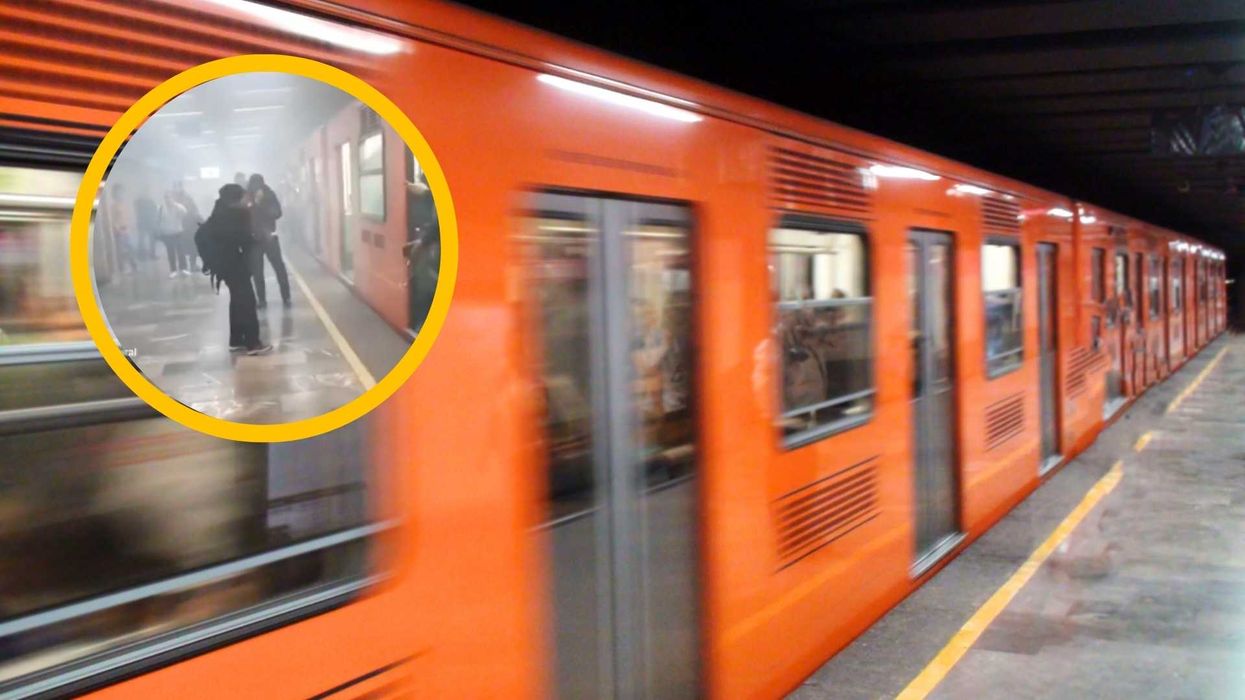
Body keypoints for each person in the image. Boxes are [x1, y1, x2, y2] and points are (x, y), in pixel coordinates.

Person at [199, 184, 269, 354]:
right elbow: (245, 239)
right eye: (243, 196)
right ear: (235, 199)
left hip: (222, 265)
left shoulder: (219, 211)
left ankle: (236, 340)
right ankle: (253, 343)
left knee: (237, 300)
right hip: (234, 264)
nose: (246, 199)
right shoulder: (237, 215)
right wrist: (259, 238)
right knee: (247, 301)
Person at [245, 174, 291, 309]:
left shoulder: (269, 195)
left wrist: (262, 205)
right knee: (257, 272)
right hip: (254, 240)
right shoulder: (248, 197)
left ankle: (286, 296)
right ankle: (262, 299)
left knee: (279, 268)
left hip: (269, 237)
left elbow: (278, 213)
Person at [156, 189, 190, 278]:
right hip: (167, 233)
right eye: (166, 198)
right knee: (170, 252)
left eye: (170, 197)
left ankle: (183, 268)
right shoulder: (161, 208)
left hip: (178, 232)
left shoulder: (179, 207)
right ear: (164, 199)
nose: (168, 199)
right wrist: (160, 231)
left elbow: (184, 215)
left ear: (173, 198)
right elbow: (158, 221)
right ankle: (173, 270)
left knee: (181, 251)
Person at [170, 181, 202, 273]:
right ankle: (184, 266)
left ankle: (191, 265)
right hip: (180, 226)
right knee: (183, 247)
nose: (177, 188)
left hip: (189, 225)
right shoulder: (173, 199)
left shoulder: (186, 197)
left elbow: (194, 209)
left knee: (191, 246)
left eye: (178, 186)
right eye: (176, 186)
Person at [108, 183, 137, 274]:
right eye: (118, 192)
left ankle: (134, 267)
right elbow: (112, 219)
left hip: (127, 229)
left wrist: (131, 226)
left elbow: (129, 216)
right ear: (115, 194)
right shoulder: (113, 206)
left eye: (121, 192)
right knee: (121, 250)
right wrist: (117, 229)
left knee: (131, 248)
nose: (120, 194)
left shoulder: (125, 204)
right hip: (119, 231)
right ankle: (123, 268)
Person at [133, 186, 159, 261]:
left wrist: (155, 221)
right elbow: (136, 210)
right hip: (142, 222)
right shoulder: (139, 201)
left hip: (149, 222)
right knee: (141, 240)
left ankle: (151, 254)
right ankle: (142, 255)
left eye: (147, 192)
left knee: (151, 239)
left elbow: (155, 211)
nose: (146, 193)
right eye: (145, 192)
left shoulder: (150, 201)